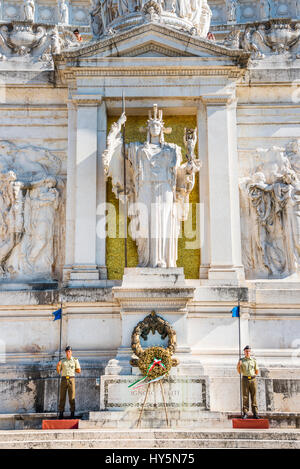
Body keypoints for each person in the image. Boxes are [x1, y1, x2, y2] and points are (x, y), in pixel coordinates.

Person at [56, 346, 81, 419]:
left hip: (71, 379)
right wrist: (58, 366)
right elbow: (58, 371)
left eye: (69, 351)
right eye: (67, 351)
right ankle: (61, 413)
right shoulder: (62, 361)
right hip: (64, 379)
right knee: (62, 397)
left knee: (71, 397)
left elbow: (79, 370)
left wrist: (73, 370)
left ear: (71, 352)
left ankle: (72, 413)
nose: (68, 353)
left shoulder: (75, 360)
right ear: (65, 352)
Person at [237, 345, 260, 419]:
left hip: (252, 379)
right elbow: (239, 371)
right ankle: (246, 412)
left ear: (250, 352)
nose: (247, 352)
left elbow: (256, 371)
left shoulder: (253, 360)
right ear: (244, 352)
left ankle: (255, 413)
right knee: (245, 396)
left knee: (254, 396)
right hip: (245, 379)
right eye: (246, 351)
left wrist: (253, 376)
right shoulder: (241, 360)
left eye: (249, 351)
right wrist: (238, 366)